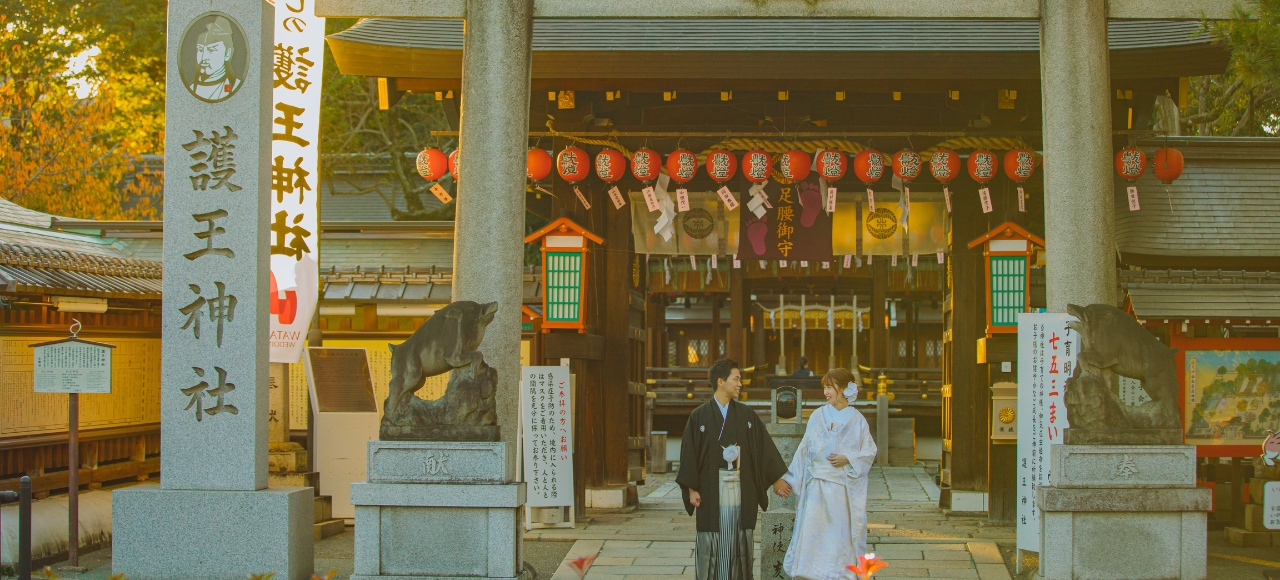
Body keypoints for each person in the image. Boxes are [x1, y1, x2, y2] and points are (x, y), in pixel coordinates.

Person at [678, 358, 790, 580]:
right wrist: (691, 488)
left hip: (741, 489)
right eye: (736, 379)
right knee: (711, 541)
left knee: (739, 541)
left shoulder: (746, 416)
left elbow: (762, 448)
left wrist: (776, 478)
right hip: (711, 490)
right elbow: (688, 454)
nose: (740, 384)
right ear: (721, 381)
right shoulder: (699, 416)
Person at [782, 368, 878, 580]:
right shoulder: (818, 415)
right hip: (817, 487)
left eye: (830, 386)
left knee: (839, 535)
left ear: (844, 389)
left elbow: (869, 451)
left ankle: (839, 574)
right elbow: (804, 449)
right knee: (815, 534)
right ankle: (811, 573)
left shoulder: (857, 419)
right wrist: (789, 479)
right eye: (824, 387)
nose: (826, 391)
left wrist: (849, 459)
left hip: (841, 489)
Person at [189, 16, 242, 102]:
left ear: (227, 53)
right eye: (200, 50)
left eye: (212, 50)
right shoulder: (191, 88)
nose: (204, 57)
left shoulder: (236, 85)